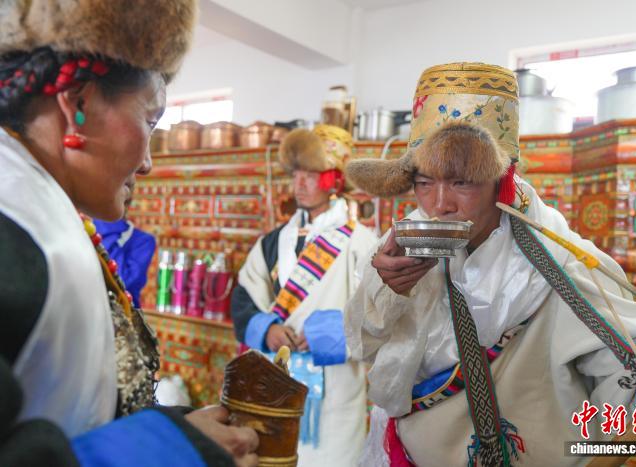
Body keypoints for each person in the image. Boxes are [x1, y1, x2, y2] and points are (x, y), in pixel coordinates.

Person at [344, 62, 636, 467]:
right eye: (424, 182)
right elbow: (361, 345)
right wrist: (388, 290)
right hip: (406, 453)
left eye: (461, 181)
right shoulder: (398, 248)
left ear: (502, 179)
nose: (440, 204)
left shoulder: (560, 263)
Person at [0, 1, 257, 466]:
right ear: (77, 104)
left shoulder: (39, 205)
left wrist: (174, 429)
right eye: (149, 121)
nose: (148, 163)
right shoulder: (12, 225)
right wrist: (163, 449)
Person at [230, 124, 378, 467]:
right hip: (276, 379)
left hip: (336, 389)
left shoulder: (362, 243)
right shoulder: (272, 242)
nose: (299, 184)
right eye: (296, 175)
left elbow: (381, 311)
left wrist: (331, 334)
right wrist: (267, 329)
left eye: (310, 176)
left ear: (333, 180)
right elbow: (244, 296)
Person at [94, 198, 157, 308]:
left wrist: (118, 234)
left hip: (122, 313)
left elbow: (123, 283)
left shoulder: (143, 240)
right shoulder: (86, 229)